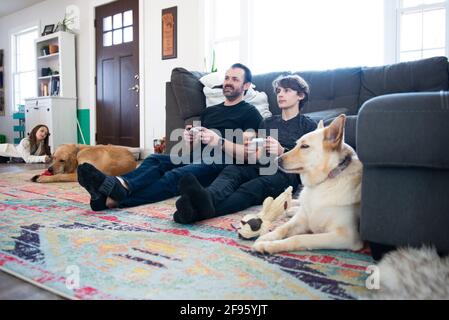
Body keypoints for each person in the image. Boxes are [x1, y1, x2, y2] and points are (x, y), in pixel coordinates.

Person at [77, 63, 263, 211]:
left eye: (235, 79)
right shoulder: (210, 112)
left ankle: (114, 198)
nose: (228, 82)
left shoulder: (250, 113)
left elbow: (247, 152)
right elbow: (191, 150)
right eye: (227, 77)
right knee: (154, 159)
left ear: (246, 86)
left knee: (176, 175)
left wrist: (219, 141)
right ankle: (121, 185)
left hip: (221, 163)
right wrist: (191, 139)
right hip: (197, 157)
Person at [173, 74, 317, 224]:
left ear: (300, 95)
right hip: (260, 165)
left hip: (285, 173)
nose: (280, 94)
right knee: (233, 170)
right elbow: (257, 156)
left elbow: (310, 159)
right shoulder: (267, 122)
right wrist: (250, 151)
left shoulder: (308, 126)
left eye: (287, 91)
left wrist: (282, 152)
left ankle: (198, 213)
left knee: (252, 187)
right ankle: (206, 197)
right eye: (279, 91)